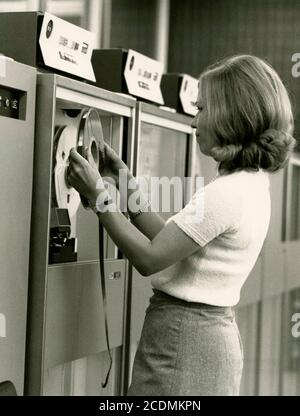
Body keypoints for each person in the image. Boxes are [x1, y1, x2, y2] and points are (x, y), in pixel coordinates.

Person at [67, 55, 295, 396]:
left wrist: (98, 195)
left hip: (184, 340)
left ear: (229, 115)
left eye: (202, 109)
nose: (194, 122)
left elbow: (149, 258)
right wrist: (126, 184)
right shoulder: (248, 184)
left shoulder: (226, 194)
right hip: (203, 336)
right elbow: (170, 243)